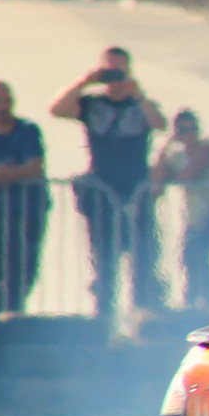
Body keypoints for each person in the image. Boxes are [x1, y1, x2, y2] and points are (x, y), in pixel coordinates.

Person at [49, 47, 167, 321]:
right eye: (109, 71)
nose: (114, 77)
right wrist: (83, 81)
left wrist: (137, 94)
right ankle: (104, 318)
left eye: (119, 70)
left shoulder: (139, 104)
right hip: (102, 193)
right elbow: (57, 109)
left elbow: (159, 123)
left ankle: (142, 318)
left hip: (136, 192)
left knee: (142, 260)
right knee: (104, 261)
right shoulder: (93, 104)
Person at [150, 108, 209, 310]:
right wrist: (165, 148)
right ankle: (194, 302)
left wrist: (175, 176)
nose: (189, 134)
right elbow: (156, 186)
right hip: (194, 220)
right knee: (190, 257)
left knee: (197, 253)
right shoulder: (176, 156)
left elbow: (190, 173)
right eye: (182, 130)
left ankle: (208, 301)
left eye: (192, 129)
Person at [0, 80, 48, 314]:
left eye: (6, 101)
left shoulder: (27, 130)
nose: (3, 106)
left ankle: (15, 307)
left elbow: (34, 168)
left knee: (25, 261)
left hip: (28, 208)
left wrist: (0, 175)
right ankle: (2, 306)